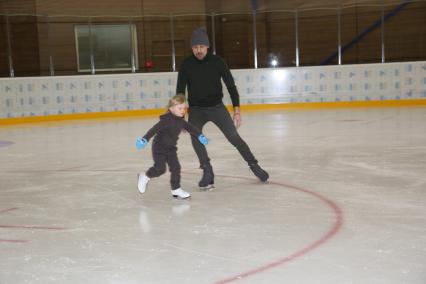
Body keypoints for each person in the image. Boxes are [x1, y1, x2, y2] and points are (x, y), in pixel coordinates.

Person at [176, 27, 269, 190]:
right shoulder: (186, 65)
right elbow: (180, 90)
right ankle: (207, 171)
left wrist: (237, 110)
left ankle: (254, 165)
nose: (198, 51)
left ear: (207, 47)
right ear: (192, 48)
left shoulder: (218, 62)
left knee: (234, 137)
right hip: (196, 110)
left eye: (201, 47)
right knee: (196, 138)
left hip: (216, 108)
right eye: (195, 47)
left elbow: (231, 87)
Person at [136, 94, 209, 199]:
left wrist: (200, 135)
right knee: (160, 169)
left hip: (171, 149)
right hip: (159, 148)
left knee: (176, 168)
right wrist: (144, 139)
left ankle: (176, 189)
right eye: (180, 108)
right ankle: (145, 176)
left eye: (184, 108)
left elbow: (191, 128)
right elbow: (154, 129)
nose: (183, 110)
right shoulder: (166, 120)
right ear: (171, 108)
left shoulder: (181, 121)